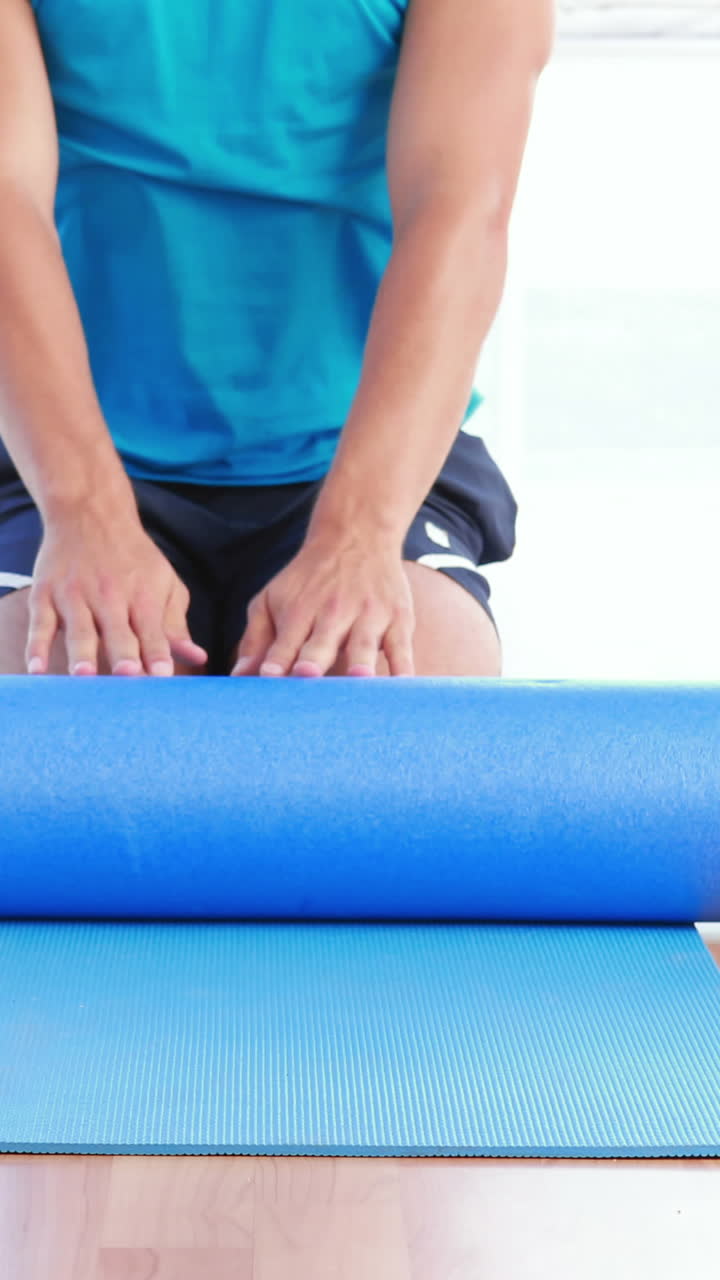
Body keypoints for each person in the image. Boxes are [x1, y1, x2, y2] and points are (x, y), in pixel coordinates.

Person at [0, 0, 554, 680]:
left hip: (364, 450)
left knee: (408, 685)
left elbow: (461, 212)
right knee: (57, 678)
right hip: (65, 445)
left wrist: (360, 535)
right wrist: (82, 513)